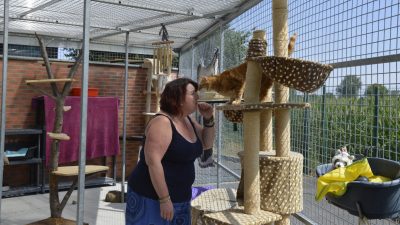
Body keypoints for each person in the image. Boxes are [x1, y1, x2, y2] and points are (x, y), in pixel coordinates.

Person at [126, 77, 215, 225]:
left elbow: (207, 143)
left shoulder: (188, 120)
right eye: (193, 93)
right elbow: (153, 163)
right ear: (178, 98)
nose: (198, 97)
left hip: (180, 197)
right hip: (152, 196)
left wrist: (209, 118)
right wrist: (165, 199)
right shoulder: (162, 122)